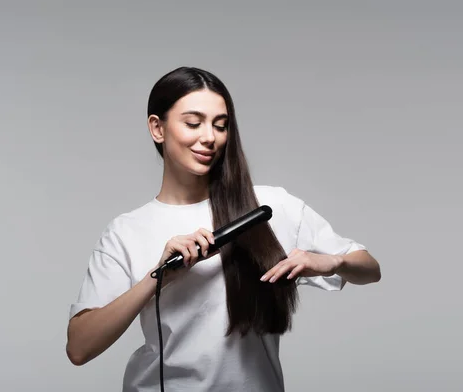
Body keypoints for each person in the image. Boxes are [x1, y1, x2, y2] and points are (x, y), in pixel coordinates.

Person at [66, 66, 381, 392]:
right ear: (157, 128)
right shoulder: (127, 231)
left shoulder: (271, 206)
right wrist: (157, 276)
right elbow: (79, 347)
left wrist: (333, 262)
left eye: (221, 126)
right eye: (193, 123)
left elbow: (370, 268)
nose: (209, 137)